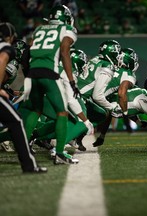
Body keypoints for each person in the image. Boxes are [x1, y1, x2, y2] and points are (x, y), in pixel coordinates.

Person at [23, 5, 80, 164]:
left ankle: (24, 148)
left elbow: (28, 52)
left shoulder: (39, 29)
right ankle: (60, 153)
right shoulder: (67, 29)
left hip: (32, 73)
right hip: (49, 73)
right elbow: (64, 52)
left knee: (37, 109)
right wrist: (71, 80)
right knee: (62, 113)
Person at [0, 22, 47, 173]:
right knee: (16, 121)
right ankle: (28, 165)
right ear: (10, 37)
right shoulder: (6, 47)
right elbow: (2, 61)